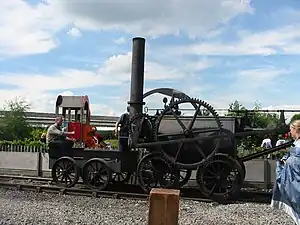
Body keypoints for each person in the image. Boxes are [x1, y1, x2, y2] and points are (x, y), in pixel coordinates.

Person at [271, 119, 300, 225]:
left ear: (295, 130)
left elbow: (296, 161)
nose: (290, 132)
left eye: (291, 129)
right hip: (293, 175)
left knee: (296, 197)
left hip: (295, 179)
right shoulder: (296, 142)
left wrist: (287, 162)